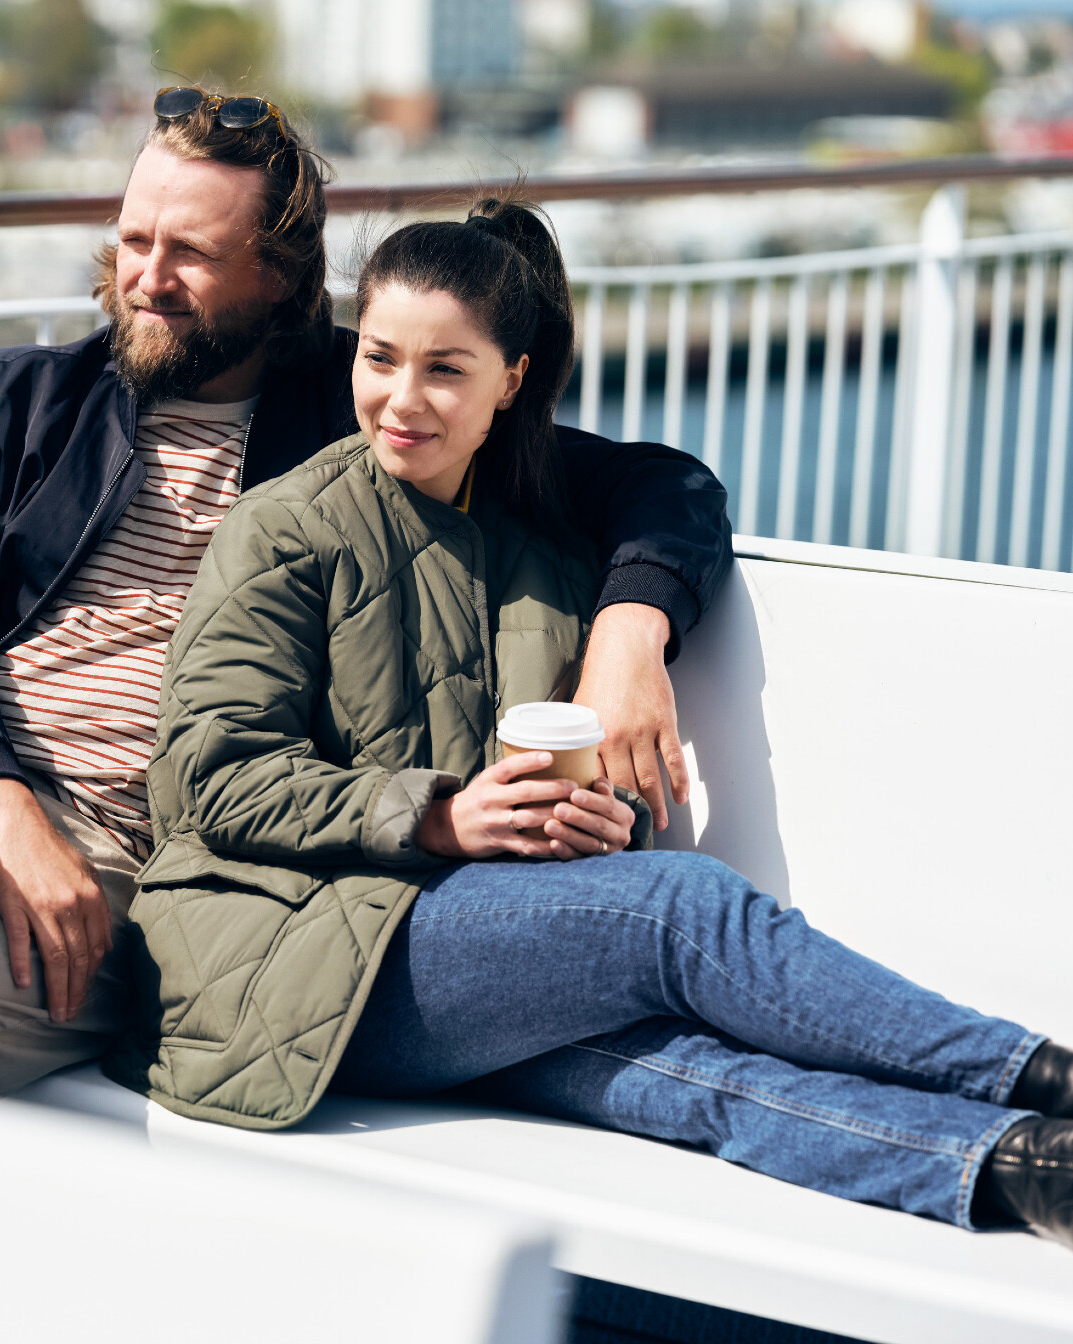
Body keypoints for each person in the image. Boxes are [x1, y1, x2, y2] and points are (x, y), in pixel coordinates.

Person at [107, 200, 1073, 1244]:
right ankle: (1044, 1074)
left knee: (689, 1079)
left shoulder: (551, 549)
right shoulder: (286, 527)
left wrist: (591, 811)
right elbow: (210, 776)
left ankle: (1026, 1169)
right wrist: (439, 817)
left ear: (510, 383)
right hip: (269, 953)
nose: (402, 399)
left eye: (446, 369)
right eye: (380, 357)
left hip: (446, 950)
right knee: (682, 911)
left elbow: (674, 492)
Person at [0, 89, 735, 1098]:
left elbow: (667, 488)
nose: (148, 278)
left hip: (135, 861)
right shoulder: (19, 404)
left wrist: (628, 635)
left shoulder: (368, 409)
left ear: (278, 277)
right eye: (134, 240)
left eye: (191, 254)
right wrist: (2, 809)